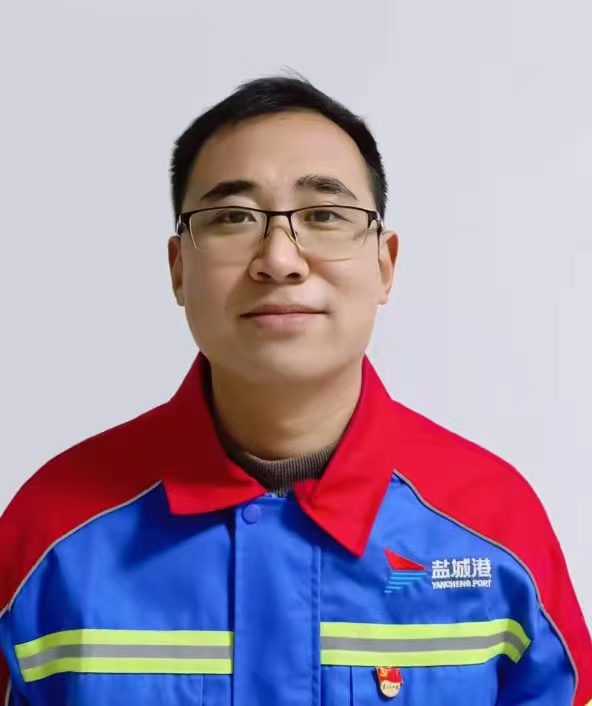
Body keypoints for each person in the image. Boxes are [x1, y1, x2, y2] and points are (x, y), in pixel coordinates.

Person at [0, 73, 590, 706]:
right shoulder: (52, 534)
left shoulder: (494, 525)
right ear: (178, 268)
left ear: (385, 264)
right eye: (233, 217)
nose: (280, 259)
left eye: (324, 215)